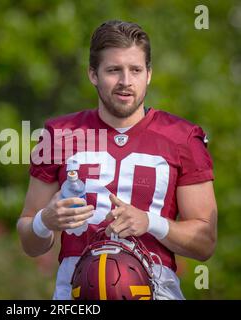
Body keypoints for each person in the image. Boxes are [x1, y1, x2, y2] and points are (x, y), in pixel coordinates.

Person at [17, 20, 217, 300]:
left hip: (156, 291)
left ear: (148, 74)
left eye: (135, 70)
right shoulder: (59, 135)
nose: (125, 81)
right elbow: (30, 242)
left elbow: (205, 243)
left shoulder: (182, 137)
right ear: (93, 75)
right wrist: (44, 221)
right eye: (113, 70)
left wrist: (150, 222)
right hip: (75, 293)